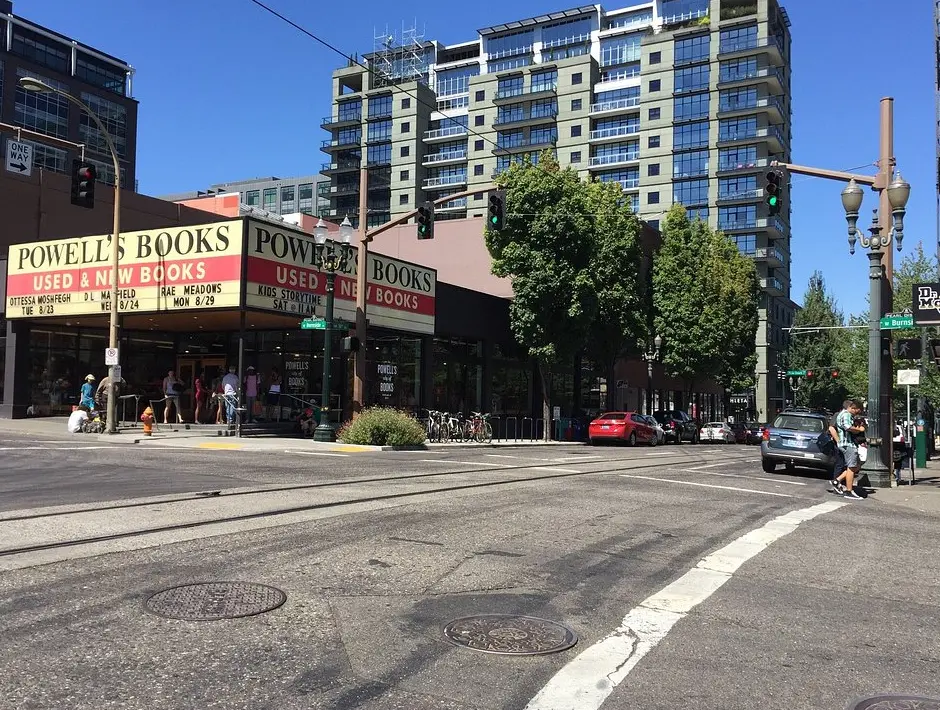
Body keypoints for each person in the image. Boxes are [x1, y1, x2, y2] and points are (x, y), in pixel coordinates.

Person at [831, 399, 866, 500]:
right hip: (848, 444)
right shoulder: (846, 414)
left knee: (857, 465)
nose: (856, 413)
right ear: (853, 408)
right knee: (851, 467)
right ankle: (849, 491)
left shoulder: (842, 414)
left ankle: (837, 480)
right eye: (857, 411)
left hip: (846, 444)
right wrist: (859, 429)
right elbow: (847, 427)